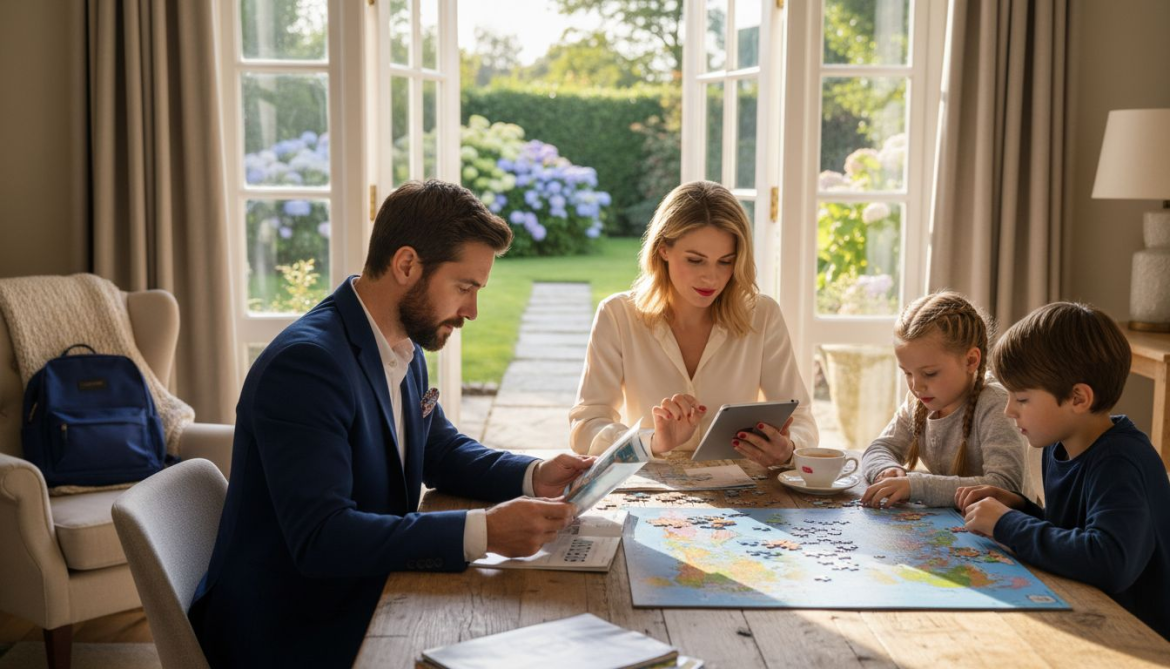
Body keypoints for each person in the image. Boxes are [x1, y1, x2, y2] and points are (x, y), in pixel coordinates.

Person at [188, 180, 593, 668]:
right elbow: (323, 539)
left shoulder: (400, 342)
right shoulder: (306, 367)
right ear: (406, 265)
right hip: (297, 629)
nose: (472, 311)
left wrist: (535, 474)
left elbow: (437, 450)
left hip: (364, 589)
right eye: (465, 287)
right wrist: (482, 532)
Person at [958, 302, 1170, 641]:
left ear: (1078, 398)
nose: (1010, 410)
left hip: (1142, 639)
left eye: (1022, 399)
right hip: (1091, 615)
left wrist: (1006, 524)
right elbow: (1076, 532)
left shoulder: (1120, 462)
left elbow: (1108, 561)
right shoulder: (1060, 445)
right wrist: (1021, 508)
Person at [569, 180, 818, 465]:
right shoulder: (617, 315)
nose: (711, 278)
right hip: (652, 491)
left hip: (742, 493)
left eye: (725, 261)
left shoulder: (762, 314)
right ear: (663, 249)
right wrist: (653, 441)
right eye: (695, 260)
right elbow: (586, 427)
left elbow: (802, 421)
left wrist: (788, 448)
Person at [860, 291, 1027, 508]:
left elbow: (1004, 486)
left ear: (971, 360)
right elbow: (879, 449)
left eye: (929, 373)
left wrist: (915, 486)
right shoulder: (919, 400)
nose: (916, 386)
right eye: (907, 373)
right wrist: (886, 469)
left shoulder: (995, 404)